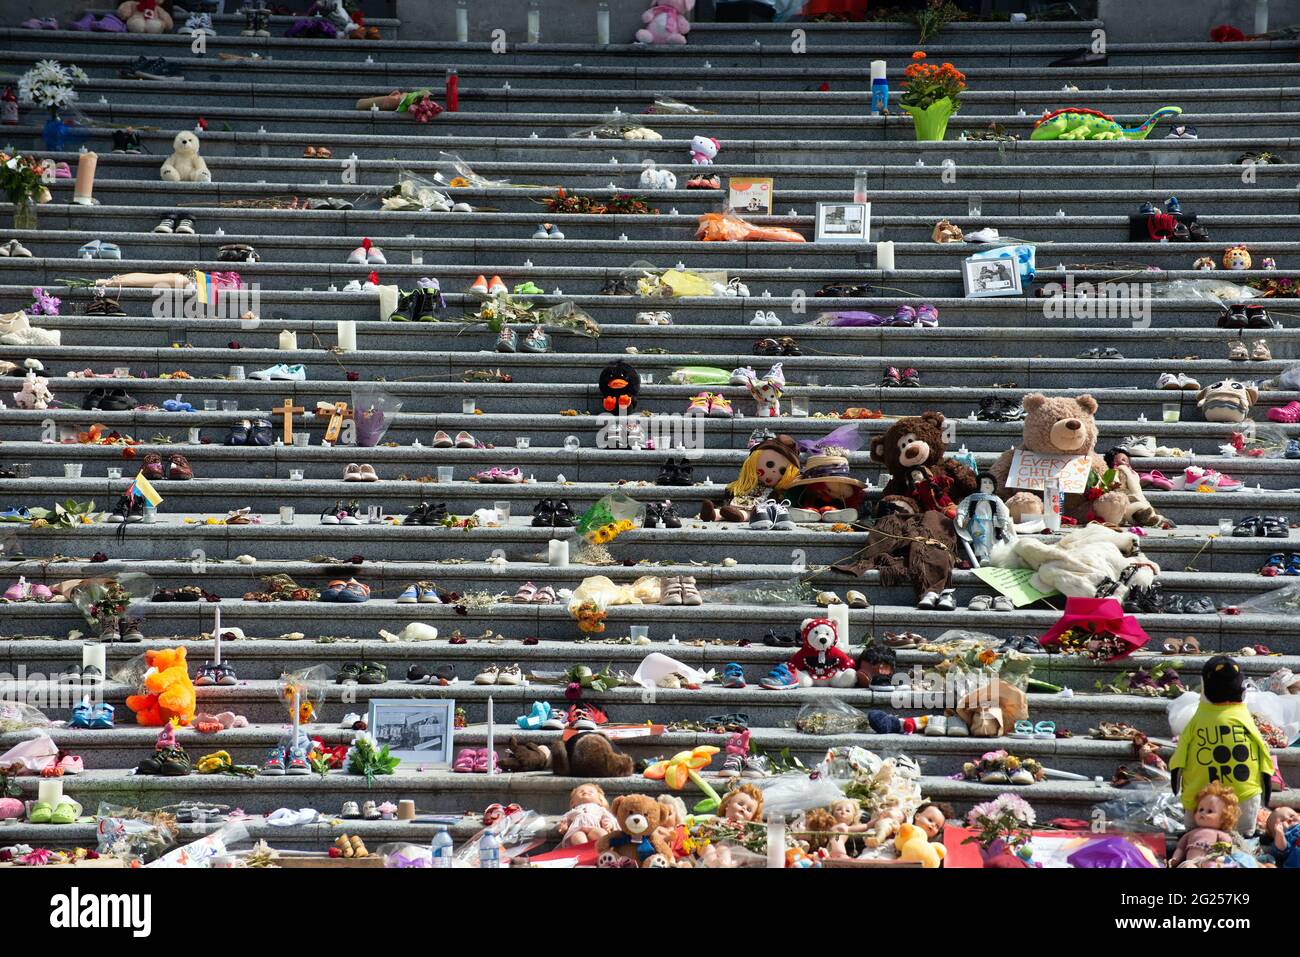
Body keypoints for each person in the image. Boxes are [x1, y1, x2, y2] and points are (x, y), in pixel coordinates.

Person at [1169, 656, 1274, 835]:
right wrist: (1267, 780)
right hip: (1242, 794)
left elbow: (1180, 756)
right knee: (1245, 824)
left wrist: (1175, 777)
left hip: (1200, 797)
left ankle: (1193, 830)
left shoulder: (1198, 721)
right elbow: (1263, 751)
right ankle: (1245, 831)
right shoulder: (1244, 718)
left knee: (1194, 821)